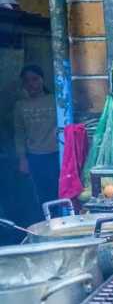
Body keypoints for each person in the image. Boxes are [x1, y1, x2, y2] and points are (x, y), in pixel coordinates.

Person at [13, 65, 59, 206]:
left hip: (57, 154)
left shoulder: (57, 100)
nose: (31, 84)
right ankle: (48, 224)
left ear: (42, 80)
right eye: (27, 81)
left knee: (59, 191)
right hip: (35, 157)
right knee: (42, 195)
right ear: (23, 84)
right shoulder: (20, 106)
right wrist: (22, 159)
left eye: (35, 79)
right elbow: (19, 134)